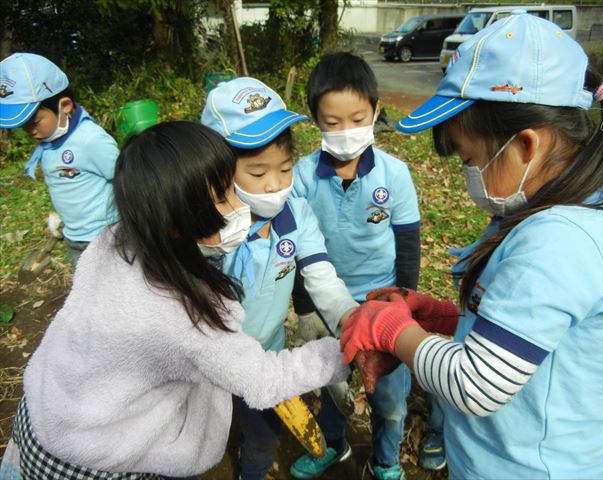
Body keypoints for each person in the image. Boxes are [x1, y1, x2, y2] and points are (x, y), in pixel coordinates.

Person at [340, 11, 603, 479]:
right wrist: (447, 319)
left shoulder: (560, 241)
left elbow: (477, 383)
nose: (467, 177)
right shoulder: (547, 213)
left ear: (525, 146)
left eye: (470, 158)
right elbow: (527, 331)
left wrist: (392, 331)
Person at [0, 122, 350, 480]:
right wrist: (346, 352)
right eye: (222, 196)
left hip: (44, 415)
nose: (237, 204)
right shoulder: (185, 317)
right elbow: (263, 380)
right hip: (93, 461)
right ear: (175, 222)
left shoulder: (114, 240)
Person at [200, 76, 359, 480]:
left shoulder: (296, 215)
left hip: (265, 356)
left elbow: (322, 278)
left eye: (285, 168)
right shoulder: (208, 232)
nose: (275, 184)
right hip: (209, 362)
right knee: (205, 432)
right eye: (257, 173)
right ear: (218, 172)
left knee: (264, 438)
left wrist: (351, 320)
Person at [290, 52, 421, 480]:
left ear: (376, 112)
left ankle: (385, 460)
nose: (345, 132)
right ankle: (333, 445)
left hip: (383, 304)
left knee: (390, 395)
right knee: (333, 384)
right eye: (331, 123)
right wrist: (306, 308)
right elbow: (297, 249)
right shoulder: (304, 176)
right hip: (330, 305)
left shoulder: (394, 175)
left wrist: (404, 302)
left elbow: (407, 244)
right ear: (315, 120)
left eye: (356, 118)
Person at [0, 52, 119, 267]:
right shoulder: (50, 141)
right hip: (74, 238)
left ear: (64, 106)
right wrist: (62, 215)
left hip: (107, 238)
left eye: (34, 122)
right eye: (23, 125)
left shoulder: (91, 140)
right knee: (85, 292)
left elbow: (127, 179)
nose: (29, 131)